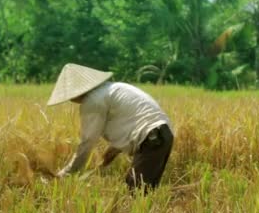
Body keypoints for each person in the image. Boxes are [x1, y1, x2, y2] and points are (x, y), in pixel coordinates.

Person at [47, 63, 174, 191]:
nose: (70, 100)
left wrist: (66, 173)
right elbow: (132, 122)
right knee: (145, 191)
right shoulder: (113, 88)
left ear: (76, 92)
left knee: (135, 191)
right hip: (162, 136)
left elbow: (87, 142)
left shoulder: (93, 100)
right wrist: (113, 151)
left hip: (151, 139)